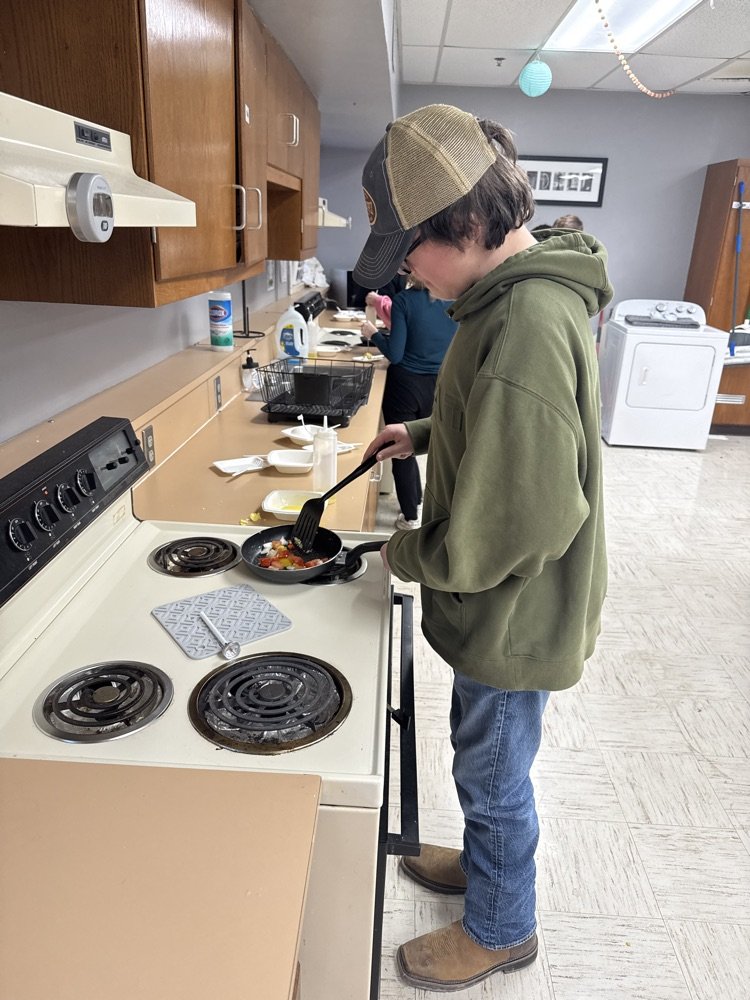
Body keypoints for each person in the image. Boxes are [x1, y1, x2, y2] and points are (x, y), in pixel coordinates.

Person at [352, 104, 613, 992]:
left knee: (496, 770)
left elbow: (528, 520)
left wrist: (411, 553)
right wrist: (423, 433)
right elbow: (505, 427)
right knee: (485, 759)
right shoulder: (510, 301)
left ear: (464, 225)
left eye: (410, 253)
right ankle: (484, 862)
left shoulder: (524, 325)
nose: (409, 279)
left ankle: (503, 928)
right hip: (503, 601)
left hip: (512, 610)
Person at [360, 281, 457, 529]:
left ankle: (410, 517)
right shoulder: (453, 297)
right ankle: (419, 499)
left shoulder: (404, 301)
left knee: (399, 450)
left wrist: (374, 335)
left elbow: (396, 354)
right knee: (418, 442)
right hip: (439, 384)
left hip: (405, 386)